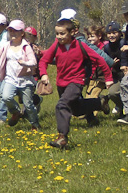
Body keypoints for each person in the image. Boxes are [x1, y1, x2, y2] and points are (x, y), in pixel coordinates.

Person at [39, 16, 113, 149]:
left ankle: (62, 137)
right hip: (61, 83)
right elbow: (44, 60)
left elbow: (100, 60)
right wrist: (43, 74)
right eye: (57, 34)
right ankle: (99, 102)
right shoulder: (56, 45)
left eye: (62, 33)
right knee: (76, 110)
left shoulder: (80, 46)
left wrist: (108, 78)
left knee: (62, 105)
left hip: (76, 81)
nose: (59, 37)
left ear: (72, 32)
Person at [0, 20, 40, 129]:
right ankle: (16, 112)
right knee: (6, 97)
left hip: (25, 80)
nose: (12, 33)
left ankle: (35, 124)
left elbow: (33, 62)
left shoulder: (26, 47)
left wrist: (24, 63)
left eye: (15, 31)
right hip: (10, 79)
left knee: (28, 105)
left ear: (22, 33)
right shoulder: (6, 45)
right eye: (10, 31)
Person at [102, 21, 125, 117]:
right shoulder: (107, 47)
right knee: (113, 93)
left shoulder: (123, 43)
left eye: (114, 33)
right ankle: (121, 106)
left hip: (126, 73)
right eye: (109, 33)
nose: (111, 36)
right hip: (115, 74)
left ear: (120, 33)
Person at [25, 26, 44, 114]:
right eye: (26, 35)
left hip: (33, 75)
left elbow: (43, 60)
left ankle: (28, 113)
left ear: (35, 38)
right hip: (22, 75)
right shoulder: (20, 47)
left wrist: (39, 54)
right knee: (22, 97)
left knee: (28, 94)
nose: (27, 38)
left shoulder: (36, 48)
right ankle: (37, 100)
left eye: (30, 36)